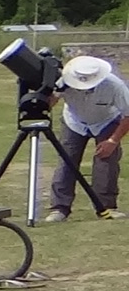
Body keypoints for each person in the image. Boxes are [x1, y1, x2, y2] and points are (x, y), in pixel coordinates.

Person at [50, 55, 129, 221]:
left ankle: (106, 207)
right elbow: (50, 102)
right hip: (74, 121)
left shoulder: (115, 86)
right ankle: (60, 208)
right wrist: (48, 95)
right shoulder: (63, 82)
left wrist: (112, 141)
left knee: (106, 161)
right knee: (67, 160)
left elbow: (128, 114)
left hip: (106, 121)